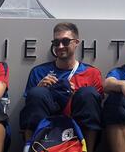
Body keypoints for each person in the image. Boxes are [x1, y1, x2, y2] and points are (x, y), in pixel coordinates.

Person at [20, 22, 103, 152]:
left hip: (78, 131)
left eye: (65, 41)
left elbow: (94, 112)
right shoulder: (39, 72)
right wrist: (41, 89)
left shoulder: (92, 73)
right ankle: (31, 148)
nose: (60, 46)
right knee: (37, 93)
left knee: (88, 94)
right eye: (56, 42)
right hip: (47, 131)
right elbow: (29, 112)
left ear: (76, 42)